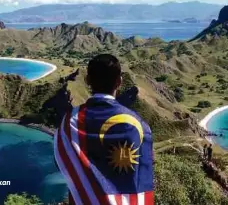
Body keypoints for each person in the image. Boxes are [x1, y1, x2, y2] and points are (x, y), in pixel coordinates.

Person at [52, 54, 154, 205]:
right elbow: (144, 168)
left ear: (87, 81)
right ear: (119, 82)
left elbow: (62, 160)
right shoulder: (138, 124)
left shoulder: (70, 121)